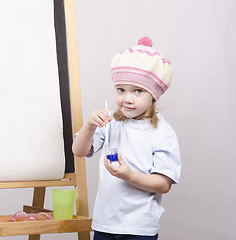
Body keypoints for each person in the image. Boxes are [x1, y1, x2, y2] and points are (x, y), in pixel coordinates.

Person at [72, 36, 181, 240]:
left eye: (138, 91)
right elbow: (78, 151)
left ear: (153, 96)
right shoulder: (110, 121)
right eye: (121, 90)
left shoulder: (163, 133)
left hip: (140, 227)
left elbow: (163, 184)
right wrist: (89, 126)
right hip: (106, 223)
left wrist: (128, 175)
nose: (127, 98)